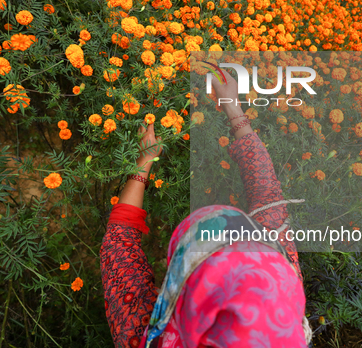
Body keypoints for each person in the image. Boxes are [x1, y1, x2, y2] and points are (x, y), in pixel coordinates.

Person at [100, 70, 309, 347]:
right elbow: (267, 192)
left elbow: (119, 245)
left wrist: (144, 161)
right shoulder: (277, 283)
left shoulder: (143, 335)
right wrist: (233, 107)